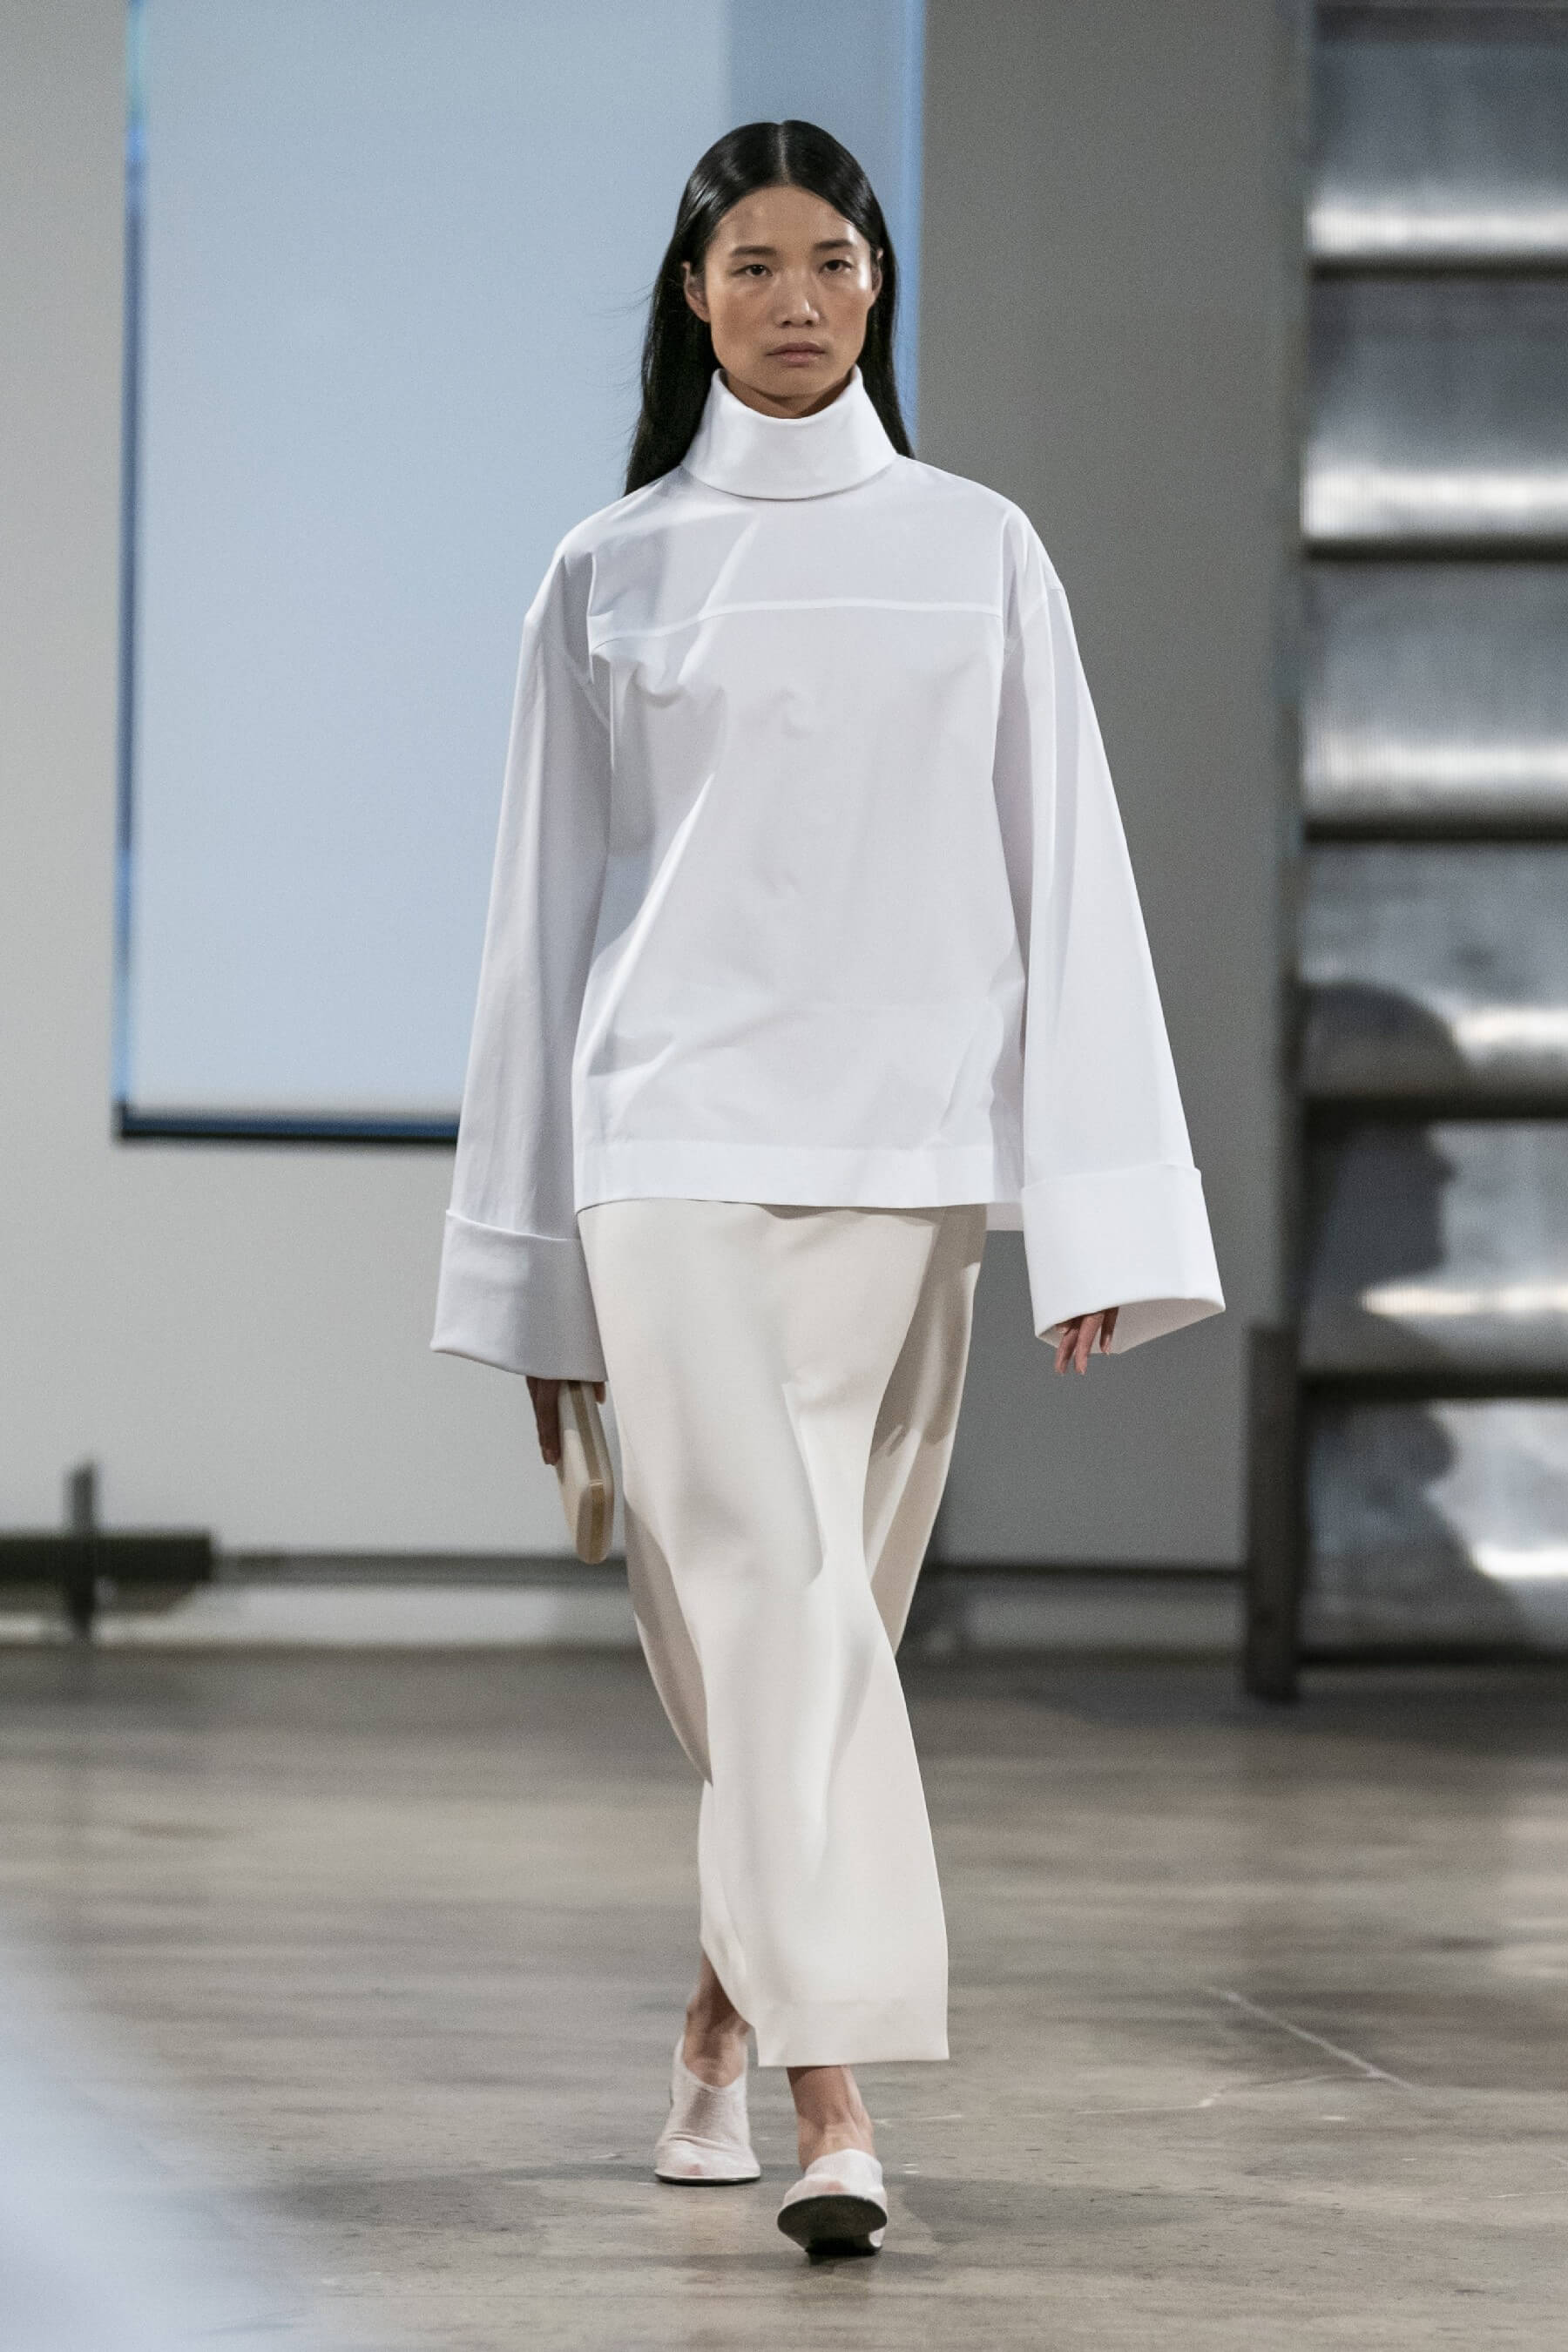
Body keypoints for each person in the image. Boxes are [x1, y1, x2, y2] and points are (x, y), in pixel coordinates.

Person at [432, 118, 1222, 2259]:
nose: (798, 301)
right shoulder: (608, 570)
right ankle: (834, 2101)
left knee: (817, 1628)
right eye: (756, 265)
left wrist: (1097, 1208)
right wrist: (529, 1272)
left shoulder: (982, 549)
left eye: (836, 264)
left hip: (905, 1160)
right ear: (693, 296)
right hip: (670, 1146)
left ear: (879, 287)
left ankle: (717, 2017)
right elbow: (536, 926)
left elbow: (1072, 873)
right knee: (781, 1605)